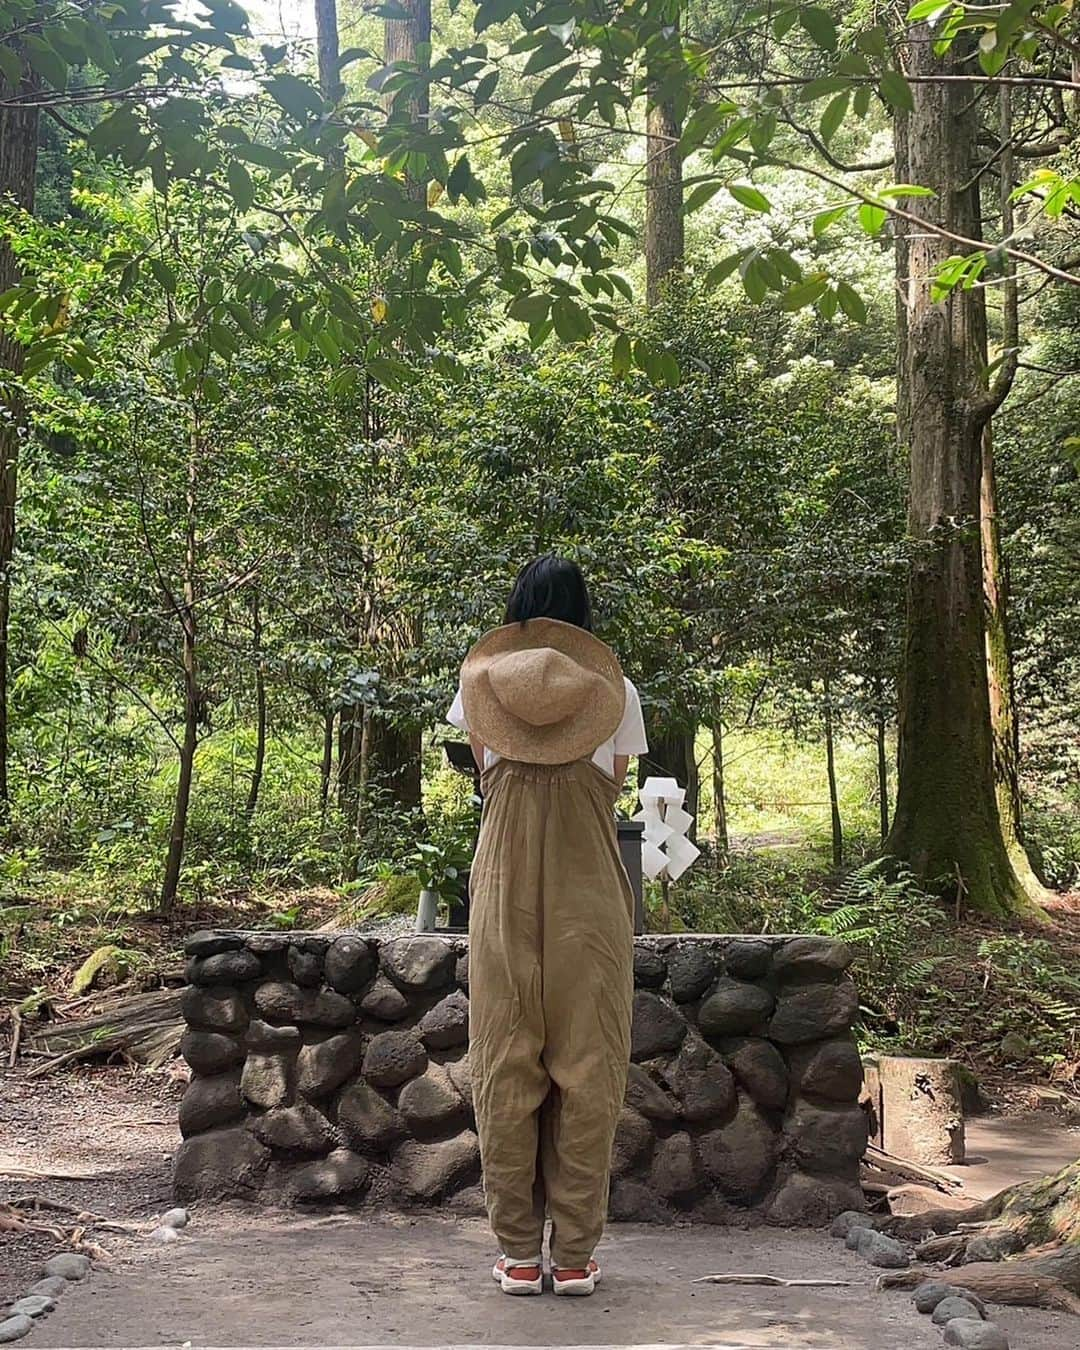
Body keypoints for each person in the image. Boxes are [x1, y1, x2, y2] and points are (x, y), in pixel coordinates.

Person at [447, 555, 648, 1297]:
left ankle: (518, 1256)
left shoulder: (478, 687)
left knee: (504, 1060)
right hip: (589, 888)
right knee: (591, 1065)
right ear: (580, 618)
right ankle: (575, 1260)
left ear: (519, 613)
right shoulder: (616, 693)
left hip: (501, 886)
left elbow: (485, 768)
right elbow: (615, 783)